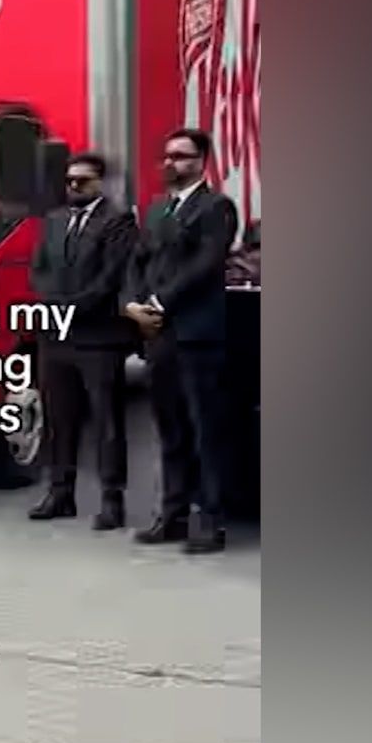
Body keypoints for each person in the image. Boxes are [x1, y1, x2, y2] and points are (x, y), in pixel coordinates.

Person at [122, 128, 239, 553]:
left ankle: (210, 521)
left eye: (181, 156)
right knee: (170, 430)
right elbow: (137, 261)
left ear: (201, 160)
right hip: (159, 338)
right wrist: (132, 304)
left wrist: (158, 302)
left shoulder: (217, 208)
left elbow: (204, 265)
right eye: (167, 155)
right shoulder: (157, 210)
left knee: (204, 431)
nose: (171, 162)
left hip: (196, 336)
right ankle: (172, 516)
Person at [27, 152, 138, 530]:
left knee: (107, 422)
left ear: (99, 183)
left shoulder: (118, 222)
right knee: (59, 418)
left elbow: (110, 278)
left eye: (83, 180)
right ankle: (60, 493)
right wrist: (51, 304)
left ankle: (112, 500)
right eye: (70, 180)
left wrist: (71, 307)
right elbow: (39, 269)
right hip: (55, 338)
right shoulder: (54, 220)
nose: (74, 186)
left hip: (98, 337)